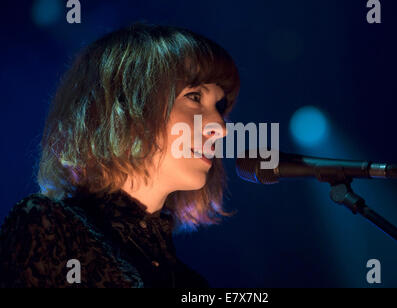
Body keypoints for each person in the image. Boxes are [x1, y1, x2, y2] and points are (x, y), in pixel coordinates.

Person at [0, 23, 240, 288]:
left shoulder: (191, 284)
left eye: (219, 107)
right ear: (125, 108)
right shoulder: (49, 228)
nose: (220, 128)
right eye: (194, 97)